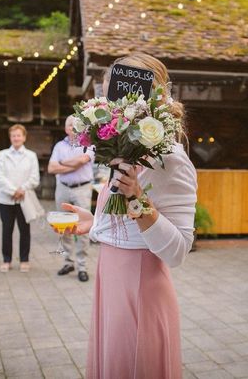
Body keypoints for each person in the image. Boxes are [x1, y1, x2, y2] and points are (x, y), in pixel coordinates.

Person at [56, 52, 197, 378]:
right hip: (110, 275)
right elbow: (121, 223)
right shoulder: (120, 148)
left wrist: (136, 197)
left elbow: (177, 251)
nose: (108, 102)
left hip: (140, 283)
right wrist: (94, 223)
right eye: (106, 94)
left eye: (116, 94)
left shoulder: (171, 160)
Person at [48, 116, 94, 282]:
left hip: (82, 189)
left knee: (82, 228)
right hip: (63, 189)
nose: (72, 127)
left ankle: (82, 266)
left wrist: (62, 163)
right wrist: (72, 164)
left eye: (76, 124)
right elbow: (51, 168)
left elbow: (82, 160)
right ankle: (68, 262)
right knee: (63, 227)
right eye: (69, 124)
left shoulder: (88, 144)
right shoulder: (59, 146)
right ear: (65, 128)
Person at [0, 124, 42, 273]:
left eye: (19, 135)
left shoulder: (31, 155)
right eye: (13, 135)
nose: (16, 138)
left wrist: (22, 189)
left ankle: (24, 260)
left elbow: (35, 177)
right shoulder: (2, 155)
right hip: (5, 199)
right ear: (10, 137)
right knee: (6, 230)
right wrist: (13, 190)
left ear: (24, 137)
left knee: (24, 230)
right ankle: (6, 260)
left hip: (24, 198)